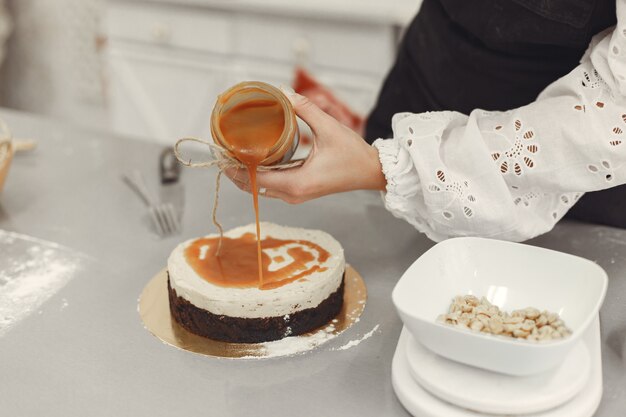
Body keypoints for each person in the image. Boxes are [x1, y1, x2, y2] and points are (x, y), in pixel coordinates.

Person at [227, 0, 626, 242]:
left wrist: (396, 167)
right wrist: (374, 153)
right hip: (421, 83)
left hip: (556, 176)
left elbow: (610, 118)